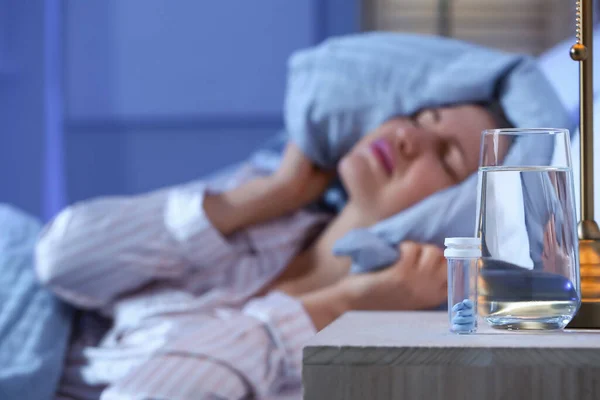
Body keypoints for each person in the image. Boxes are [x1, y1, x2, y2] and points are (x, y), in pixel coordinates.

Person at [36, 104, 504, 399]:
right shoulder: (265, 216)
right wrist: (272, 193)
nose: (409, 136)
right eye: (420, 116)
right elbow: (61, 260)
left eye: (446, 157)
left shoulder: (365, 366)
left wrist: (338, 307)